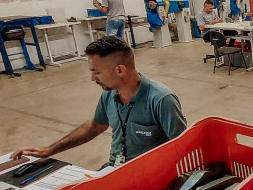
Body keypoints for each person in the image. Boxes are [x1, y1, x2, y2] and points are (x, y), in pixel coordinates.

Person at [11, 36, 187, 168]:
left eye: (97, 72)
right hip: (113, 170)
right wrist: (48, 150)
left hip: (147, 175)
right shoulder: (109, 95)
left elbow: (183, 147)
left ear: (119, 70)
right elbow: (95, 126)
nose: (92, 78)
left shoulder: (161, 100)